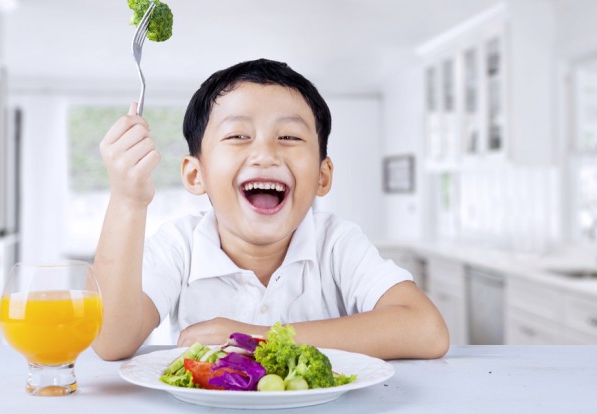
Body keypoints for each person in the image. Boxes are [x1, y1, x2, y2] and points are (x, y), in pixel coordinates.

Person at [92, 58, 449, 361]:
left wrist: (255, 337)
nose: (265, 154)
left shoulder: (337, 243)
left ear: (322, 176)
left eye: (290, 137)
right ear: (195, 174)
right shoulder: (178, 245)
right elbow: (110, 341)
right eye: (238, 136)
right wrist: (128, 199)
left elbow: (426, 329)